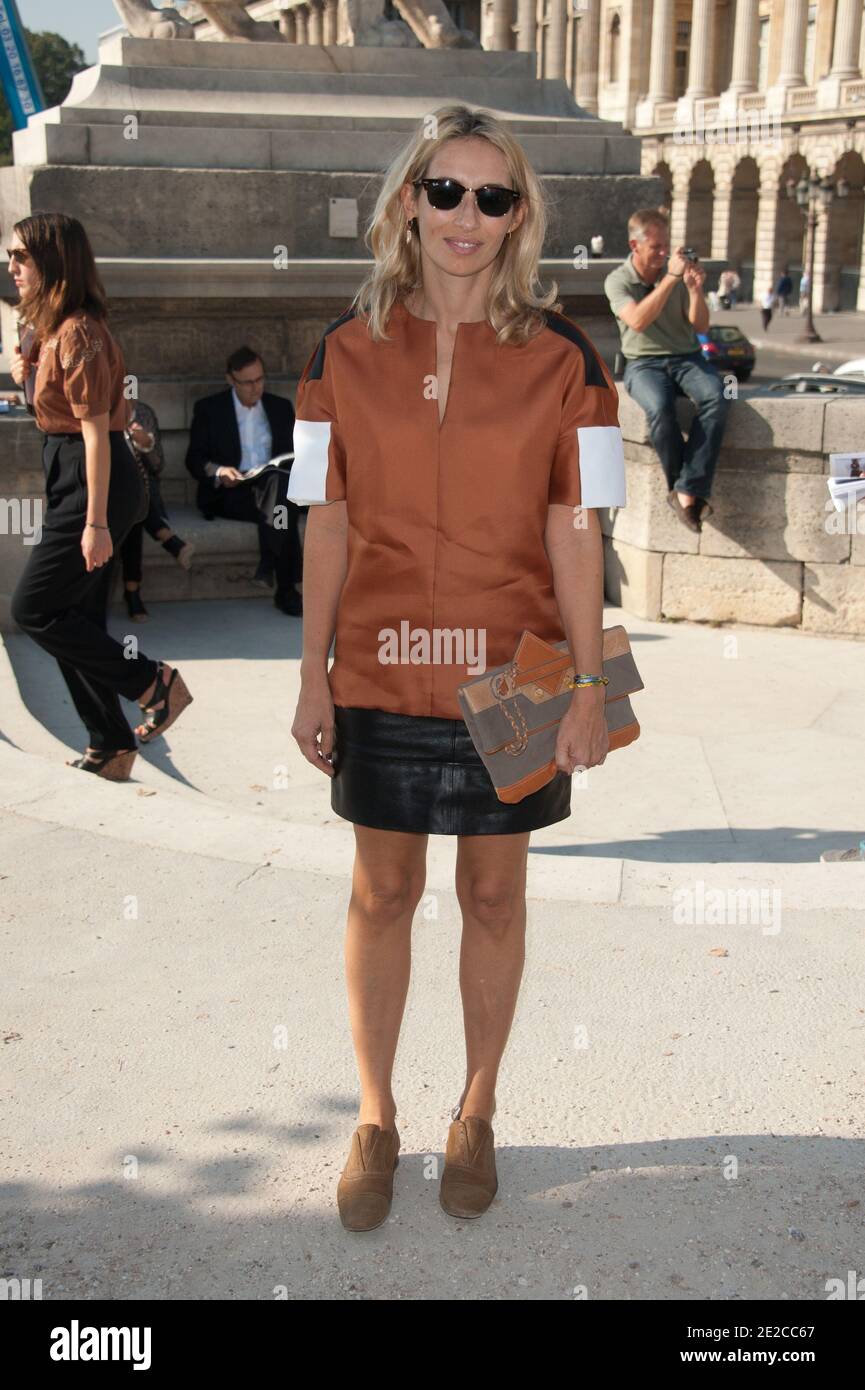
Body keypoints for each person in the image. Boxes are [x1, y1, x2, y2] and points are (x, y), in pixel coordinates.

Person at [287, 103, 627, 1232]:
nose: (466, 216)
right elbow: (323, 523)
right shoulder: (337, 353)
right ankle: (376, 1116)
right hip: (380, 666)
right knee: (382, 893)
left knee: (493, 893)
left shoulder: (570, 359)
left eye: (493, 196)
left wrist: (586, 683)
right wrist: (311, 671)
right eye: (446, 191)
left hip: (517, 671)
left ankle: (476, 1108)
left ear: (519, 216)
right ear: (408, 203)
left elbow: (580, 530)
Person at [8, 213, 193, 780]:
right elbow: (69, 411)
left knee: (33, 609)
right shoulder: (55, 328)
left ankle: (153, 682)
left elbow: (96, 432)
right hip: (74, 474)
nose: (10, 266)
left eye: (20, 256)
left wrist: (94, 523)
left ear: (53, 261)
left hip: (95, 480)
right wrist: (24, 372)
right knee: (75, 617)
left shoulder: (80, 332)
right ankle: (110, 744)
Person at [603, 207, 729, 533]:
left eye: (665, 246)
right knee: (659, 408)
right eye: (655, 247)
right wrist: (671, 280)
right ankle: (683, 488)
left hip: (687, 357)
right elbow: (638, 321)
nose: (663, 253)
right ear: (635, 246)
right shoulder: (618, 281)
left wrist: (694, 290)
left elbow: (700, 325)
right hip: (642, 362)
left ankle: (687, 489)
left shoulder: (674, 275)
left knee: (716, 396)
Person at [185, 347, 303, 616]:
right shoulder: (209, 409)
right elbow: (194, 459)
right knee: (283, 509)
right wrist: (218, 471)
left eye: (260, 379)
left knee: (278, 488)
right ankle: (286, 589)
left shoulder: (279, 408)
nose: (255, 387)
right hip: (232, 492)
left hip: (272, 487)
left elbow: (293, 455)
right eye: (247, 382)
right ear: (231, 380)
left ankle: (269, 565)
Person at [119, 397, 195, 622]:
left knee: (134, 510)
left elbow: (157, 464)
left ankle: (133, 593)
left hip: (144, 491)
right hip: (116, 495)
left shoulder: (142, 413)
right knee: (132, 506)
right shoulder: (98, 414)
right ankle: (171, 542)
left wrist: (144, 442)